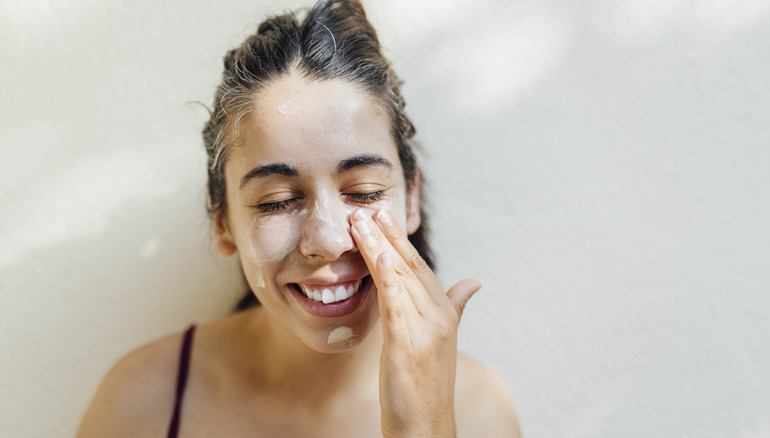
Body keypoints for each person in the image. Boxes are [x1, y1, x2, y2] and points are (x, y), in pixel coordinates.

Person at [76, 1, 522, 436]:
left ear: (410, 200)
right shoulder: (143, 401)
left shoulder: (479, 412)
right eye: (276, 201)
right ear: (223, 223)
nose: (328, 240)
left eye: (364, 192)